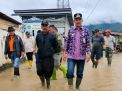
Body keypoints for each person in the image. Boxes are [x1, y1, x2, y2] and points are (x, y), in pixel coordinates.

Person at [64, 13, 91, 90]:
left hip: (82, 56)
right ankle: (70, 87)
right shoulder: (70, 30)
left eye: (79, 19)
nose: (78, 21)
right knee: (69, 72)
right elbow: (67, 42)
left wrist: (88, 53)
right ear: (74, 21)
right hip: (71, 56)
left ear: (82, 20)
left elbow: (88, 43)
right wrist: (65, 53)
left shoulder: (86, 31)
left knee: (79, 73)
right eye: (76, 19)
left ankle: (77, 87)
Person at [36, 20, 58, 89]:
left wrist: (51, 51)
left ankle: (48, 84)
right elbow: (38, 44)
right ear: (41, 26)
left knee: (48, 72)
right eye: (43, 25)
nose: (44, 27)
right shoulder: (38, 35)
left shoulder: (52, 36)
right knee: (39, 71)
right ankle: (42, 82)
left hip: (48, 57)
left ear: (48, 26)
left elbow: (55, 46)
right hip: (39, 56)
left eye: (46, 25)